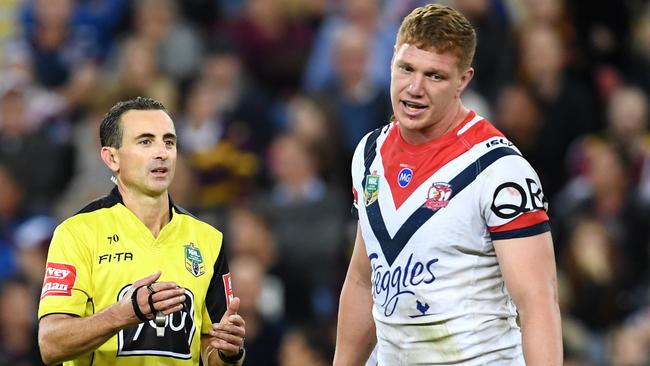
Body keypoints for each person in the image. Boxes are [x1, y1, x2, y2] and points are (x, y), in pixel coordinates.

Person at [334, 4, 562, 365]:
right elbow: (365, 281)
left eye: (435, 76)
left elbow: (537, 300)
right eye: (406, 68)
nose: (415, 88)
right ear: (391, 59)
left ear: (463, 80)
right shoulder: (368, 154)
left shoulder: (500, 170)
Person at [37, 97, 246, 365]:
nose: (162, 152)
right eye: (145, 142)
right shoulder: (77, 233)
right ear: (112, 157)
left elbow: (209, 350)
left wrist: (230, 353)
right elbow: (51, 344)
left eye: (168, 142)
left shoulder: (208, 239)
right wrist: (126, 313)